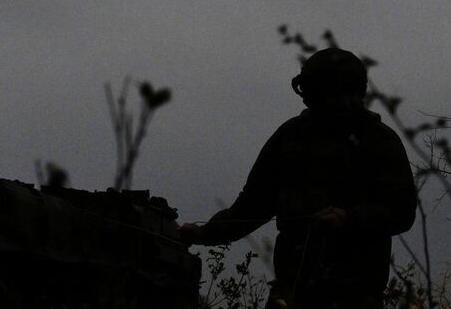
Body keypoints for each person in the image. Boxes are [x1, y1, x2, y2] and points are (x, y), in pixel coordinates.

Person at [178, 47, 416, 309]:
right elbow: (252, 206)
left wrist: (349, 218)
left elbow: (402, 212)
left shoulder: (379, 141)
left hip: (356, 294)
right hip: (293, 290)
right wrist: (204, 233)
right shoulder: (290, 138)